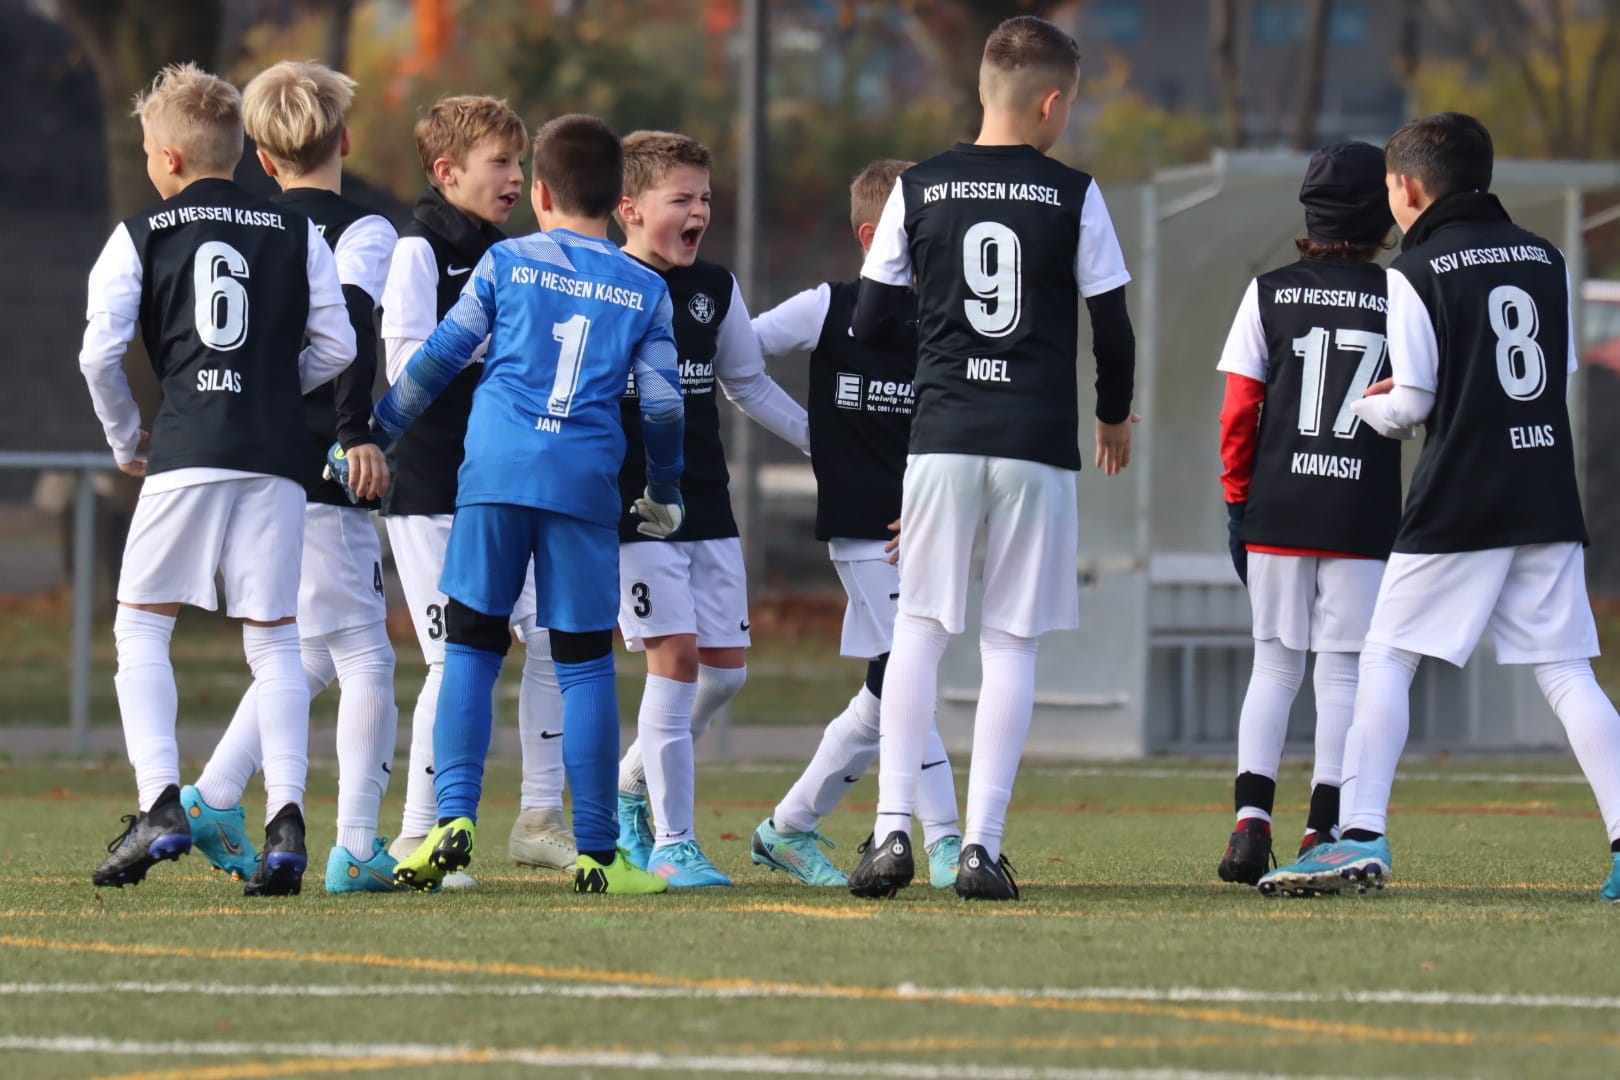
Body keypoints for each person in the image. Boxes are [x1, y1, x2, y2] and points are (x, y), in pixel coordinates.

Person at [1261, 113, 1620, 900]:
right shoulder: (1546, 255)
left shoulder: (1415, 269)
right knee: (1567, 671)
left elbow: (1415, 401)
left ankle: (1358, 837)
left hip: (1463, 491)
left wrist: (1372, 406)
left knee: (1387, 656)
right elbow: (1546, 373)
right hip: (1544, 486)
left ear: (1409, 188)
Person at [333, 113, 683, 896]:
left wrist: (375, 434)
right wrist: (665, 489)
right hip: (582, 487)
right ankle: (598, 854)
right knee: (583, 664)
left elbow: (436, 359)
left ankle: (451, 821)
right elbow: (663, 406)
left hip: (492, 475)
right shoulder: (647, 288)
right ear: (619, 199)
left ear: (542, 193)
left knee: (470, 648)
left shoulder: (507, 261)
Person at [847, 15, 1136, 901]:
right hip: (1035, 443)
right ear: (1052, 104)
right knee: (1010, 641)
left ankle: (892, 834)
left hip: (943, 434)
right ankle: (980, 848)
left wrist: (942, 342)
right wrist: (1112, 417)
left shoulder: (919, 187)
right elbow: (1113, 326)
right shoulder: (1075, 193)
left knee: (919, 631)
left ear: (981, 90)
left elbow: (870, 321)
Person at [79, 62, 355, 895]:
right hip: (277, 459)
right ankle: (287, 822)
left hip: (186, 448)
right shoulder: (296, 230)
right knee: (274, 641)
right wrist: (270, 390)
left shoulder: (139, 234)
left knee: (141, 627)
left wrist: (126, 436)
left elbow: (98, 354)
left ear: (167, 157)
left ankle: (160, 803)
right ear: (237, 151)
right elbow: (338, 347)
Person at [183, 60, 404, 894]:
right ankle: (357, 846)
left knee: (307, 648)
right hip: (316, 460)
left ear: (264, 160)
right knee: (366, 653)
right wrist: (355, 435)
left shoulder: (247, 229)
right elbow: (352, 330)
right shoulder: (363, 231)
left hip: (248, 458)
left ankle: (212, 795)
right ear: (344, 140)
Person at [747, 158, 962, 889]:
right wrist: (813, 435)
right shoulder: (826, 307)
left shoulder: (948, 315)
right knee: (911, 679)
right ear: (876, 237)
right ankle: (948, 844)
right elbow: (738, 354)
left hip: (927, 529)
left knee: (882, 695)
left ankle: (788, 826)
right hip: (867, 532)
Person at [379, 95, 575, 885]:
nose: (515, 177)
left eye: (520, 163)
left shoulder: (513, 254)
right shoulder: (417, 251)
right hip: (432, 485)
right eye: (499, 162)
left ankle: (539, 819)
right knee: (454, 658)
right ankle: (415, 837)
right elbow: (402, 368)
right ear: (447, 171)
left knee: (554, 637)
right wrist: (494, 338)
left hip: (502, 480)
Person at [610, 131, 811, 888]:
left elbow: (747, 382)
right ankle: (675, 843)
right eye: (681, 200)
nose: (699, 212)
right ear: (630, 209)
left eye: (706, 199)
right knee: (676, 663)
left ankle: (629, 783)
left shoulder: (715, 289)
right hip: (634, 509)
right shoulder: (600, 285)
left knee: (723, 676)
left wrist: (823, 443)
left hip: (706, 502)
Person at [1212, 142, 1401, 886]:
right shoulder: (1403, 295)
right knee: (1343, 673)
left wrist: (1238, 498)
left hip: (1279, 504)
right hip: (1361, 508)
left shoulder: (1268, 292)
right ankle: (1324, 825)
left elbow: (1239, 411)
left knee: (1274, 664)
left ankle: (1250, 820)